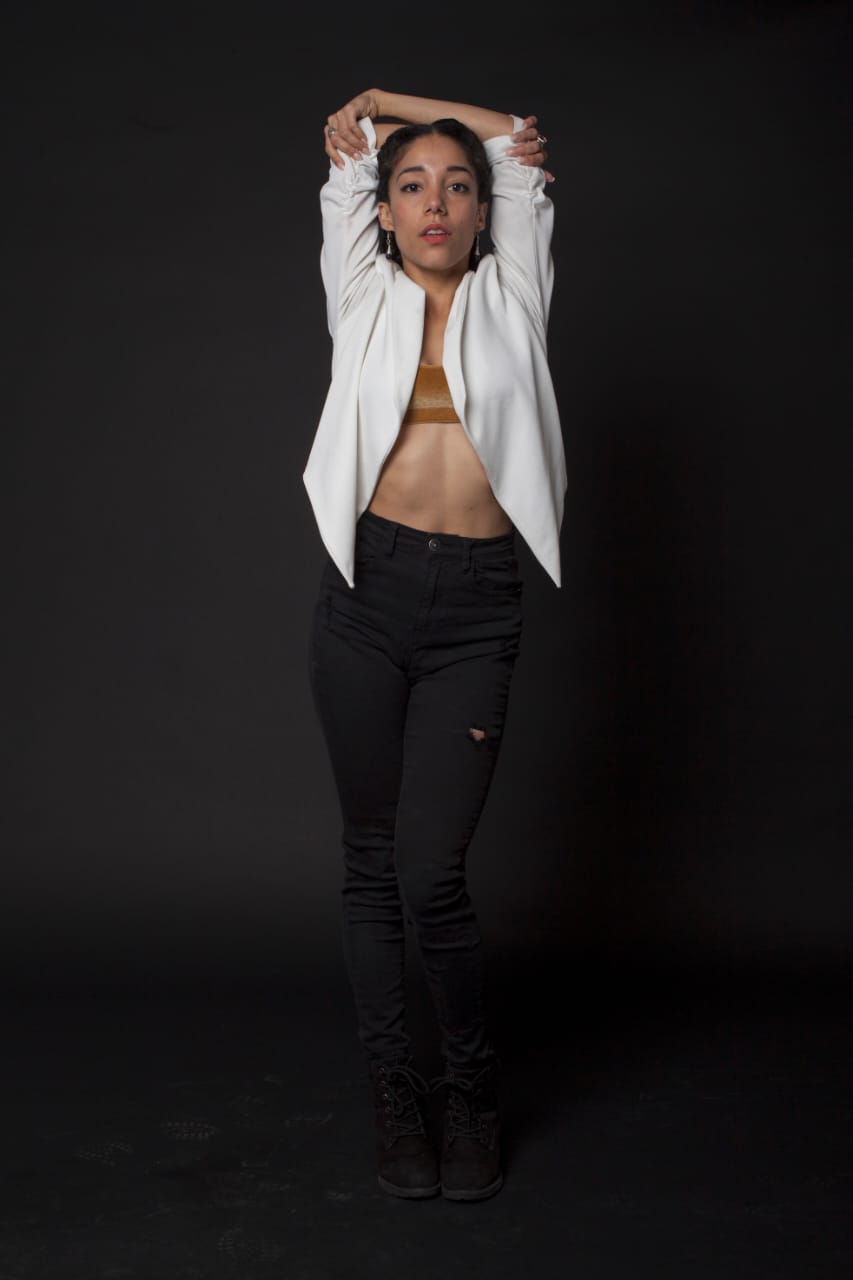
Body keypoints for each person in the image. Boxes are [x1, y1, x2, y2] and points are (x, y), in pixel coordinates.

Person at [303, 88, 566, 1202]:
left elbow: (514, 138)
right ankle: (395, 1098)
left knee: (431, 872)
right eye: (411, 185)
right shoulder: (360, 288)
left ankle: (470, 1092)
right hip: (365, 594)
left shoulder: (515, 291)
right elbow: (351, 162)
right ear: (382, 211)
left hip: (476, 606)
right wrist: (364, 131)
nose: (435, 203)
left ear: (482, 212)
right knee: (371, 863)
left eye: (457, 188)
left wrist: (387, 102)